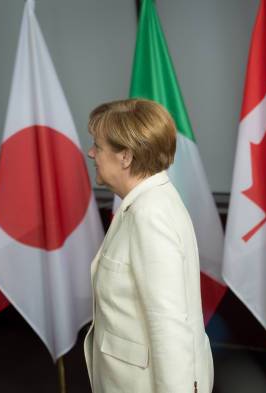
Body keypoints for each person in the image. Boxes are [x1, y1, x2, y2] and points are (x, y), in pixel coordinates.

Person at [83, 98, 213, 393]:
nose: (91, 153)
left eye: (98, 146)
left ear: (125, 157)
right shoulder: (142, 203)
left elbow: (168, 325)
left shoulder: (149, 214)